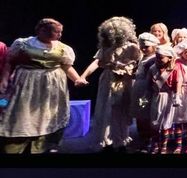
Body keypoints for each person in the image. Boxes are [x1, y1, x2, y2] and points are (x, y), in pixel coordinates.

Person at [0, 18, 87, 154]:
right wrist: (4, 80)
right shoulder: (23, 43)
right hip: (27, 83)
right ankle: (16, 145)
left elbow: (67, 66)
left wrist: (77, 79)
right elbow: (10, 62)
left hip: (52, 86)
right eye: (56, 32)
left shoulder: (63, 48)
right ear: (42, 30)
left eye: (60, 32)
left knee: (47, 113)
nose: (59, 35)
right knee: (22, 112)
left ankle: (44, 144)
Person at [78, 17, 141, 151]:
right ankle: (106, 140)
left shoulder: (132, 47)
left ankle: (121, 139)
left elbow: (139, 64)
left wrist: (129, 71)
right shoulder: (105, 48)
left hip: (125, 80)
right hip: (108, 79)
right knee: (106, 109)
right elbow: (95, 62)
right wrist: (83, 76)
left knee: (121, 110)